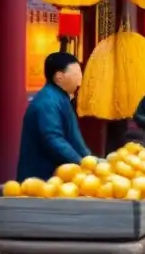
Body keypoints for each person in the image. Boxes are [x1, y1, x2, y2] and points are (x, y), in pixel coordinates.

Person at [17, 52, 91, 181]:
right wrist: (81, 161)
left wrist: (89, 160)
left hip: (56, 178)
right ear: (59, 77)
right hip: (41, 180)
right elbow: (53, 139)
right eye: (77, 72)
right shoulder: (47, 102)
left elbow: (74, 138)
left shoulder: (61, 97)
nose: (81, 77)